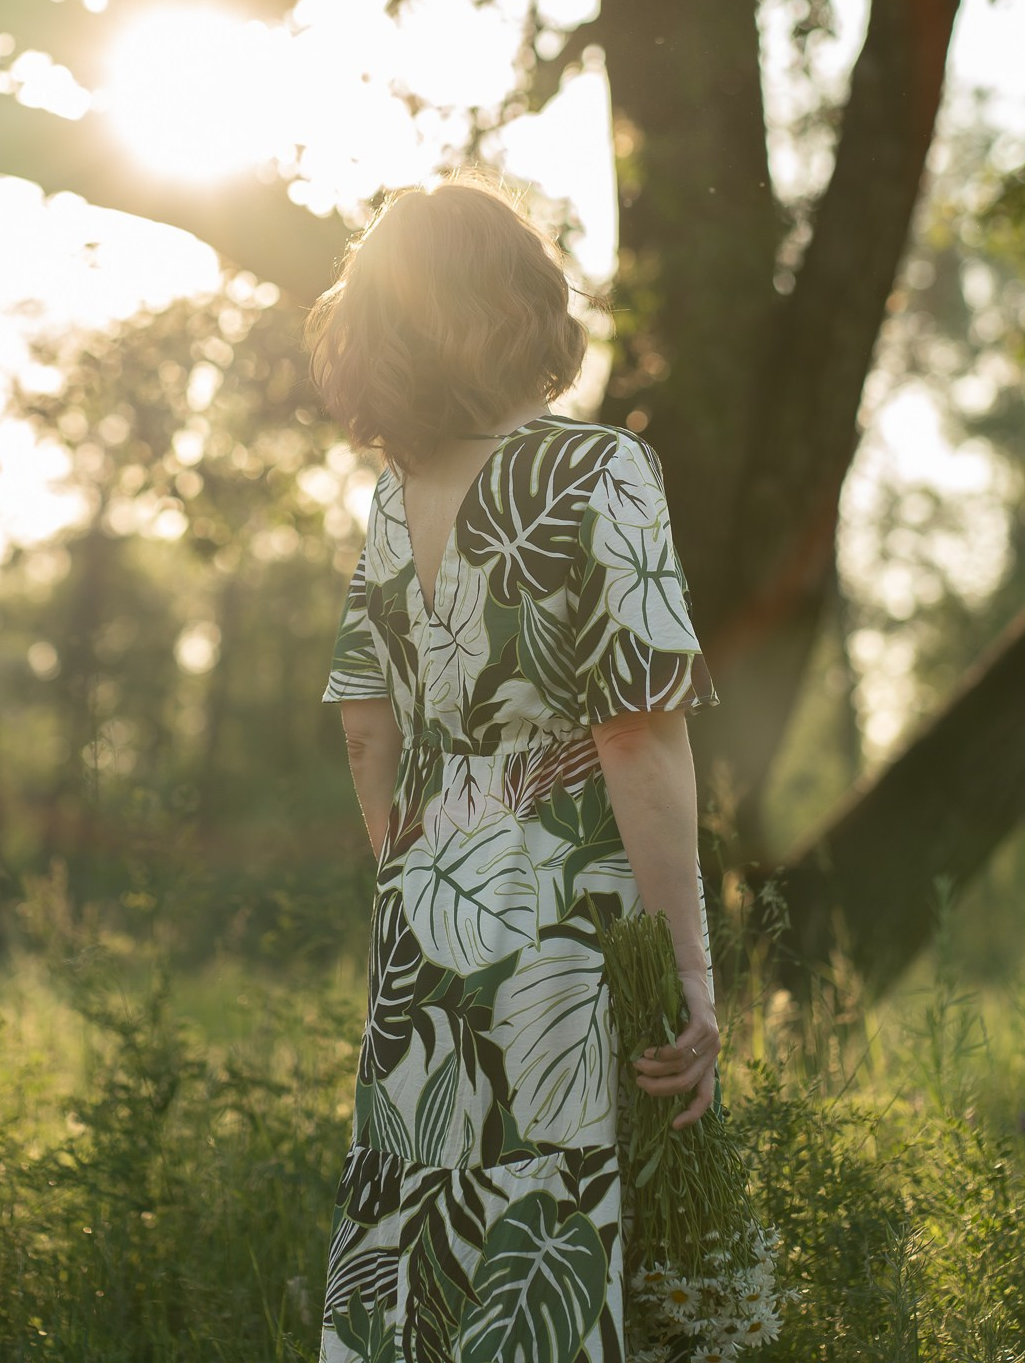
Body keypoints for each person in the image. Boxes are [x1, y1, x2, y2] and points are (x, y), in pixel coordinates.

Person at [306, 176, 721, 1363]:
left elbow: (362, 729)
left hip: (421, 933)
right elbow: (637, 731)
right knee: (546, 1232)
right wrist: (687, 966)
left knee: (420, 1230)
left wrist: (428, 869)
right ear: (521, 308)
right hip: (562, 940)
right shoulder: (598, 473)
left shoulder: (393, 501)